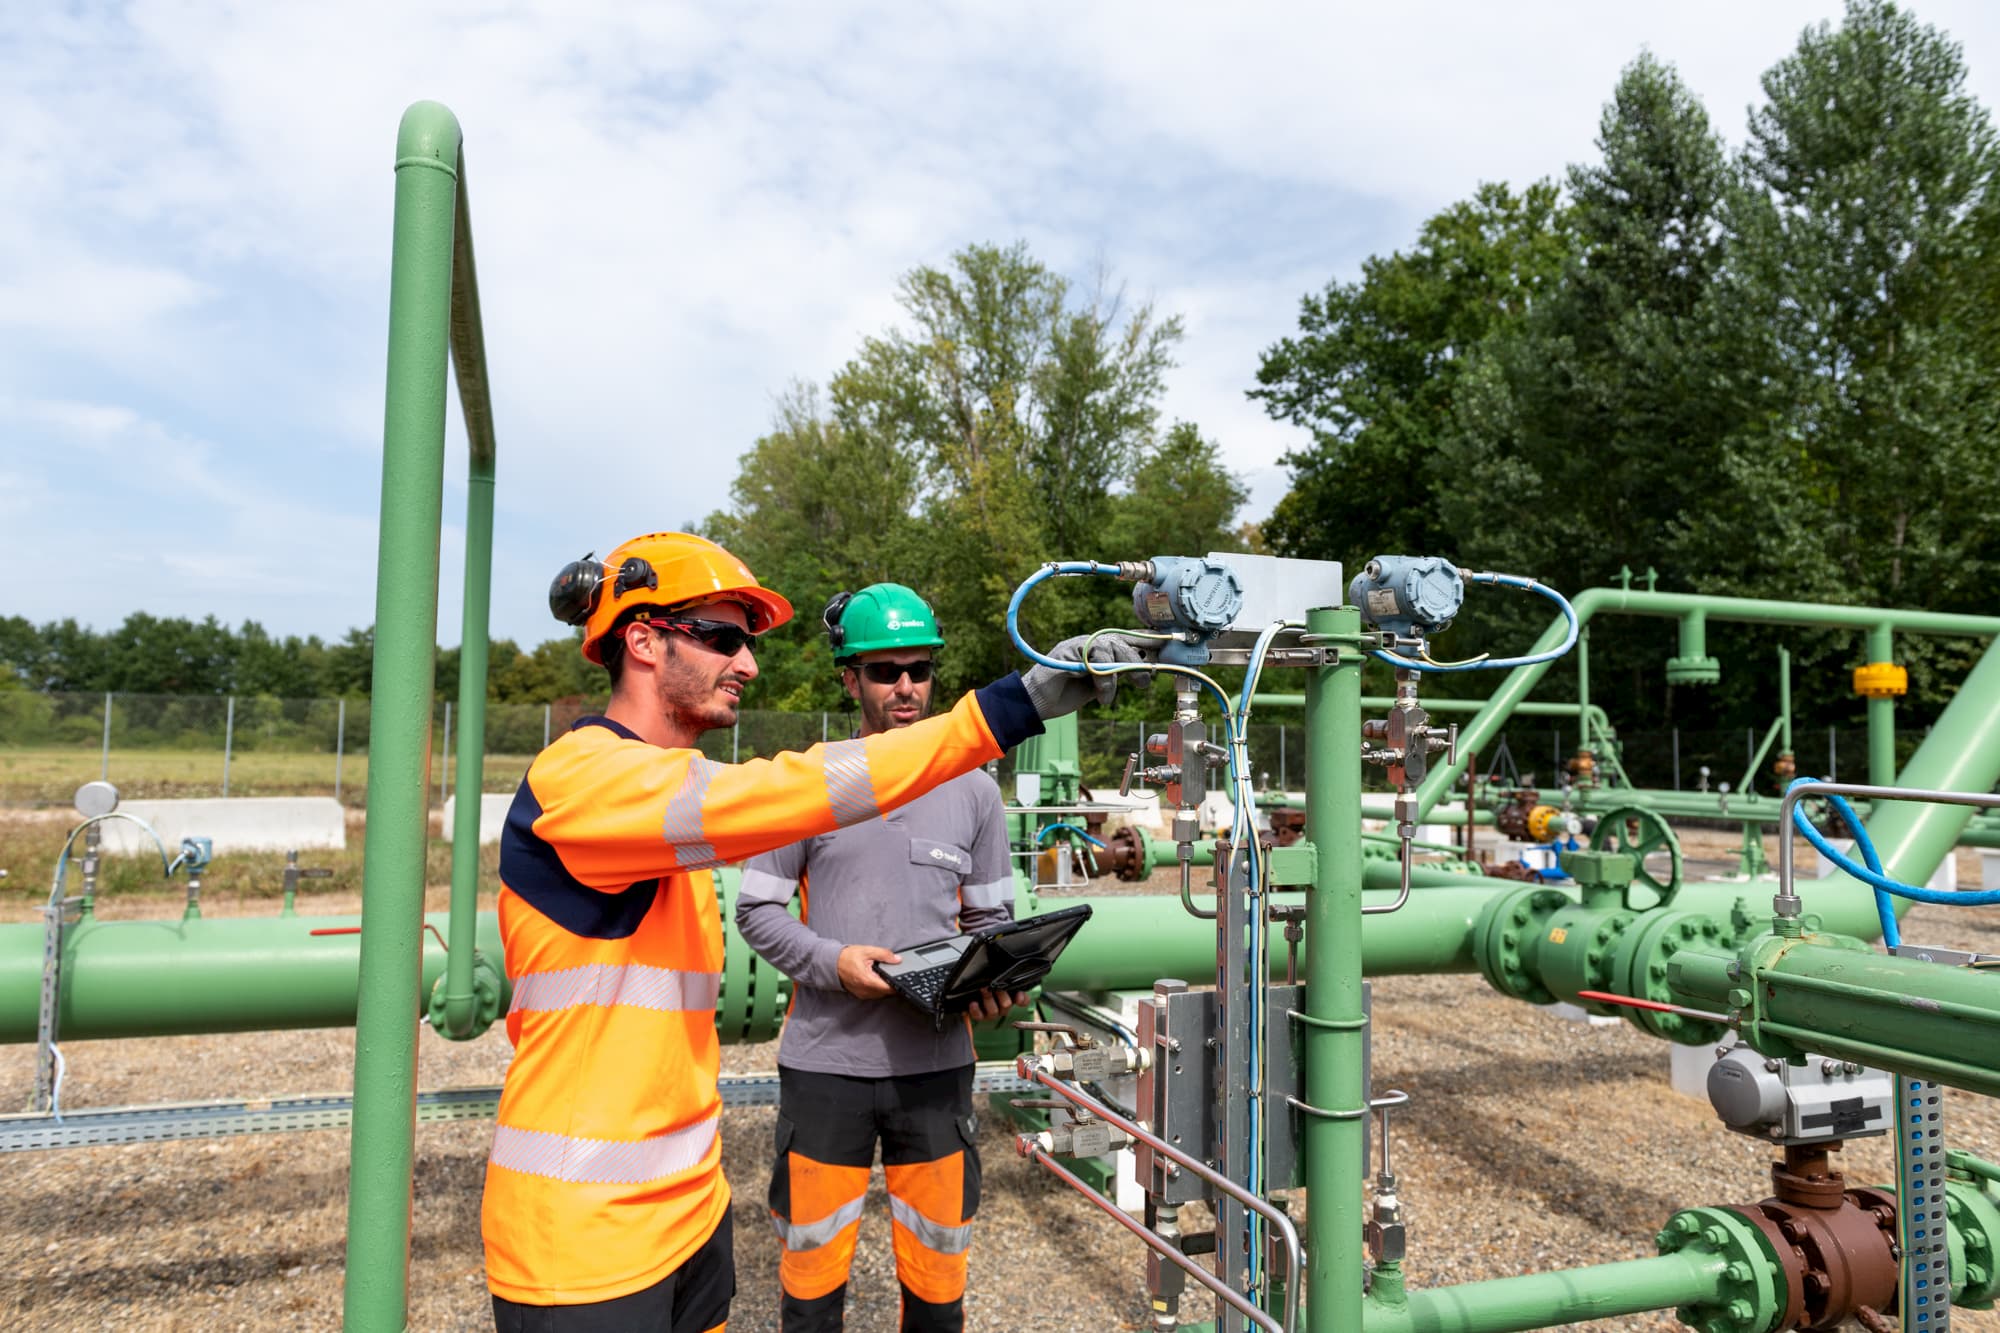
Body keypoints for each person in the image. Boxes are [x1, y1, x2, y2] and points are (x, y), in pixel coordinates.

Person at [482, 532, 1147, 1333]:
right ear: (644, 640)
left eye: (747, 644)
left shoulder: (664, 815)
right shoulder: (585, 777)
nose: (749, 664)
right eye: (724, 638)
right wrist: (1016, 704)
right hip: (582, 1244)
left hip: (686, 1216)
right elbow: (782, 802)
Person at [735, 585, 1020, 1332]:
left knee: (937, 1287)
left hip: (936, 1071)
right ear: (848, 678)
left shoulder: (976, 791)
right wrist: (835, 962)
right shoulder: (807, 781)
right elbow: (756, 910)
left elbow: (993, 917)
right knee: (811, 1285)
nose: (906, 687)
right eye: (885, 670)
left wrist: (995, 984)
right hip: (827, 1068)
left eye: (919, 670)